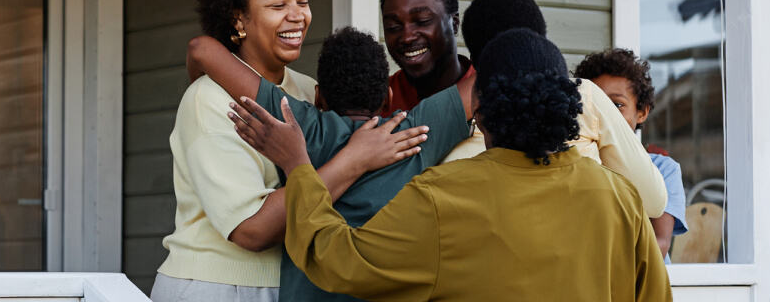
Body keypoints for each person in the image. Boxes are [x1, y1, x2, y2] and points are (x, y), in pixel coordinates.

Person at [231, 28, 672, 301]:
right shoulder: (620, 198)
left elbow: (340, 262)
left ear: (479, 111)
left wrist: (299, 165)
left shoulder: (443, 196)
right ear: (568, 105)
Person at [153, 0, 423, 300]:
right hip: (218, 288)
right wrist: (354, 160)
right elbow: (250, 231)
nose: (297, 15)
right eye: (278, 5)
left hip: (290, 286)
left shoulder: (309, 89)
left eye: (302, 1)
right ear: (238, 18)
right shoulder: (208, 101)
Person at [193, 26, 475, 302]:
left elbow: (201, 49)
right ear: (388, 98)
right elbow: (496, 74)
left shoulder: (297, 126)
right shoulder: (411, 136)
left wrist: (197, 84)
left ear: (318, 97)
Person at [455, 0, 671, 219]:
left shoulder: (452, 143)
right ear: (545, 44)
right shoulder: (584, 95)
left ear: (476, 63)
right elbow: (652, 200)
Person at [574, 48, 689, 258]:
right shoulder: (578, 164)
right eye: (598, 106)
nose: (607, 115)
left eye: (617, 105)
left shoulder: (664, 170)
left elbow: (660, 243)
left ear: (642, 112)